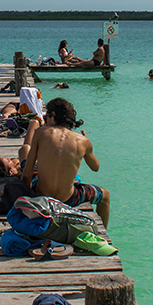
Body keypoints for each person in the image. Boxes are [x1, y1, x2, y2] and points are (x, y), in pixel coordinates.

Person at [22, 97, 111, 229]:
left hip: (41, 195)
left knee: (26, 160)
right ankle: (101, 234)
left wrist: (28, 197)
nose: (45, 122)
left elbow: (27, 174)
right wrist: (86, 146)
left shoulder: (41, 133)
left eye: (46, 118)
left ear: (53, 115)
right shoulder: (83, 141)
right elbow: (95, 167)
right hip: (68, 199)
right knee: (105, 195)